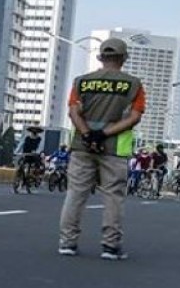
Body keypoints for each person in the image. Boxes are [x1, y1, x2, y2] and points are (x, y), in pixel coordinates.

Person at [58, 38, 145, 258]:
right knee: (113, 197)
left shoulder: (81, 82)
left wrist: (87, 134)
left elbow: (73, 112)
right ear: (124, 58)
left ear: (100, 57)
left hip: (82, 146)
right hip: (113, 148)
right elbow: (134, 117)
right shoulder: (133, 84)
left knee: (75, 194)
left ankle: (67, 243)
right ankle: (110, 246)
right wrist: (104, 134)